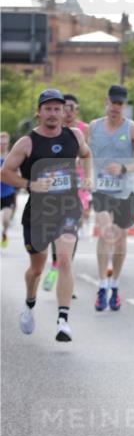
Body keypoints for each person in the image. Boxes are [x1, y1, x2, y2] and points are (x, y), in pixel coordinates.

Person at [0, 89, 92, 342]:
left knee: (64, 260)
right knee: (37, 268)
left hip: (68, 208)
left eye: (57, 109)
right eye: (48, 108)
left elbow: (87, 154)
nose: (53, 113)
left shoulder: (74, 135)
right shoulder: (27, 143)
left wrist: (89, 177)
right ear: (39, 112)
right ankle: (30, 303)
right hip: (38, 213)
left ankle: (63, 320)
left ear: (63, 112)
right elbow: (5, 172)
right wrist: (30, 184)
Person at [88, 84, 134, 312]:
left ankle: (114, 284)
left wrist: (124, 168)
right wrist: (86, 175)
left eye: (120, 103)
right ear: (106, 101)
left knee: (121, 237)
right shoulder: (93, 127)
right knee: (106, 231)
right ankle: (102, 285)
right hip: (101, 188)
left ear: (124, 105)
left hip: (125, 189)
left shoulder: (133, 129)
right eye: (113, 102)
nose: (115, 107)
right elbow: (83, 154)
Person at [41, 93, 89, 291]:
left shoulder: (83, 129)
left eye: (71, 108)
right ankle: (56, 263)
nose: (68, 111)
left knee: (73, 226)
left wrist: (88, 175)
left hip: (79, 183)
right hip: (58, 185)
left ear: (76, 110)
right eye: (65, 107)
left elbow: (89, 154)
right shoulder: (53, 129)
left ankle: (65, 267)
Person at [1, 131, 17, 247]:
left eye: (4, 143)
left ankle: (4, 233)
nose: (2, 145)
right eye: (0, 143)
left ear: (8, 144)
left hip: (8, 193)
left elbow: (18, 171)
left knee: (6, 220)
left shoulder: (12, 156)